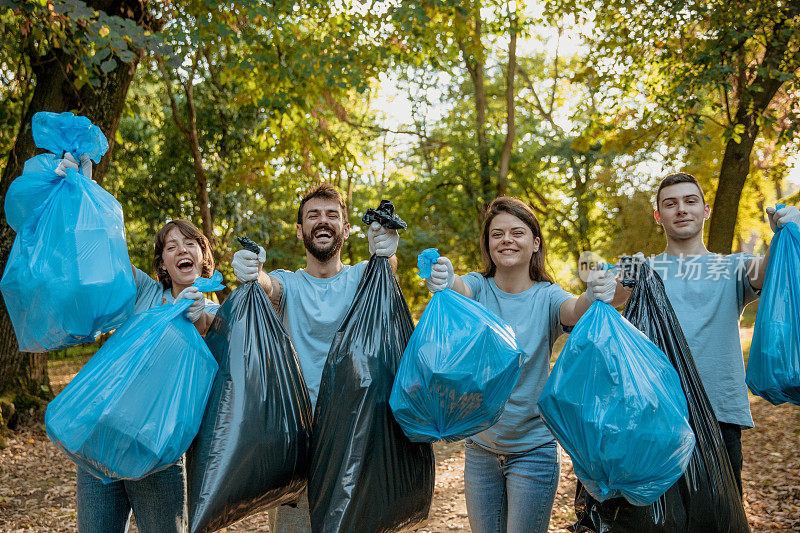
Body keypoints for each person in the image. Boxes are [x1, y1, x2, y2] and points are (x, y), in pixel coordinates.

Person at [425, 196, 625, 533]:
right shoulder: (478, 286)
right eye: (497, 234)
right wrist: (446, 277)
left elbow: (575, 311)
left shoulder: (547, 295)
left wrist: (594, 292)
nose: (506, 240)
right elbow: (459, 289)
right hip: (481, 448)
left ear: (535, 243)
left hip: (534, 450)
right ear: (488, 245)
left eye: (517, 232)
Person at [59, 139, 221, 533]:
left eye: (190, 243)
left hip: (157, 453)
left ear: (203, 255)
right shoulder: (146, 293)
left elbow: (216, 336)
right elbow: (103, 257)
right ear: (162, 263)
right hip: (103, 434)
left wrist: (199, 320)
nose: (181, 249)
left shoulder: (216, 312)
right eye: (171, 246)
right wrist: (83, 194)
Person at [231, 183, 399, 532]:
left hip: (355, 438)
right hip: (297, 440)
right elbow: (267, 287)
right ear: (300, 230)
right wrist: (251, 272)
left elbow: (386, 272)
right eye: (313, 216)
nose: (323, 221)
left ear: (347, 229)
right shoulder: (287, 283)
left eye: (332, 215)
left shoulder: (361, 278)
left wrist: (385, 252)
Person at [645, 172, 800, 495]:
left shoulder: (733, 267)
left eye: (690, 201)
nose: (681, 209)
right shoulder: (642, 269)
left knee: (721, 520)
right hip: (657, 417)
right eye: (670, 204)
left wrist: (785, 233)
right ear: (659, 216)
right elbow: (602, 296)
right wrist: (598, 283)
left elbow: (769, 270)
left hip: (719, 415)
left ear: (706, 210)